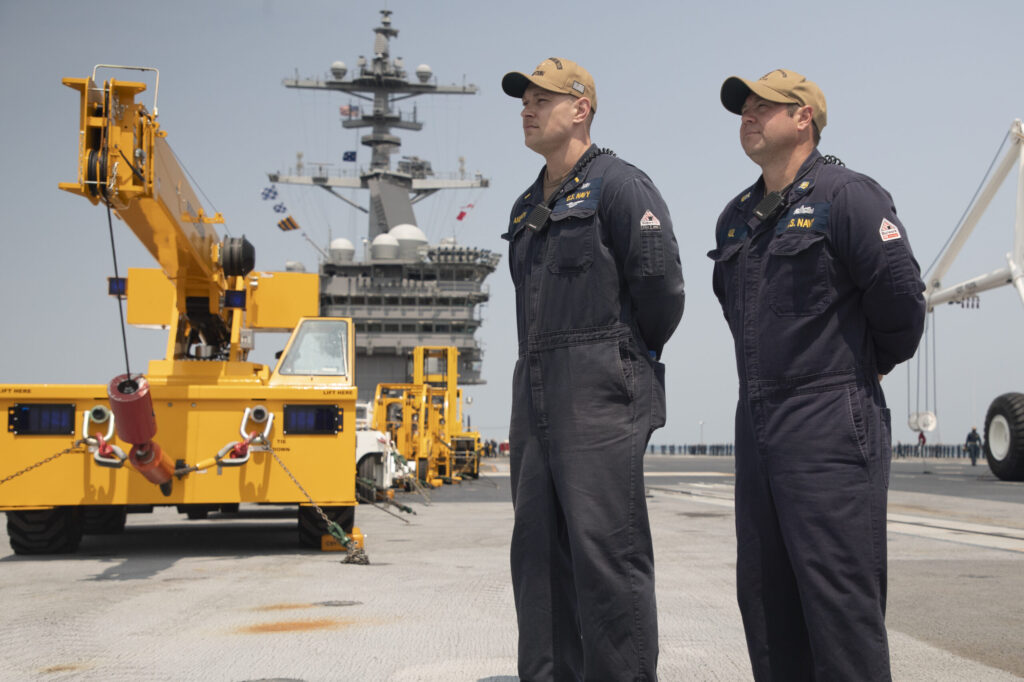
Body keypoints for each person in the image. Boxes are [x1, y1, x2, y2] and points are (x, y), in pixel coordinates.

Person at [709, 69, 926, 680]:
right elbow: (733, 308)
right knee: (765, 599)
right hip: (757, 421)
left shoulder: (849, 196)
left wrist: (847, 375)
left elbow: (903, 309)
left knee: (839, 601)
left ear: (803, 117)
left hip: (829, 416)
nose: (747, 117)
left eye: (762, 107)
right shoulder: (736, 217)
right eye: (743, 109)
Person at [501, 57, 685, 681]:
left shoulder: (619, 184)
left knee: (608, 558)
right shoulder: (527, 205)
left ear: (580, 108)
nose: (527, 107)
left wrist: (616, 364)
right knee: (537, 562)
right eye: (523, 99)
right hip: (535, 389)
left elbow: (662, 293)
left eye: (541, 98)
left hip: (600, 389)